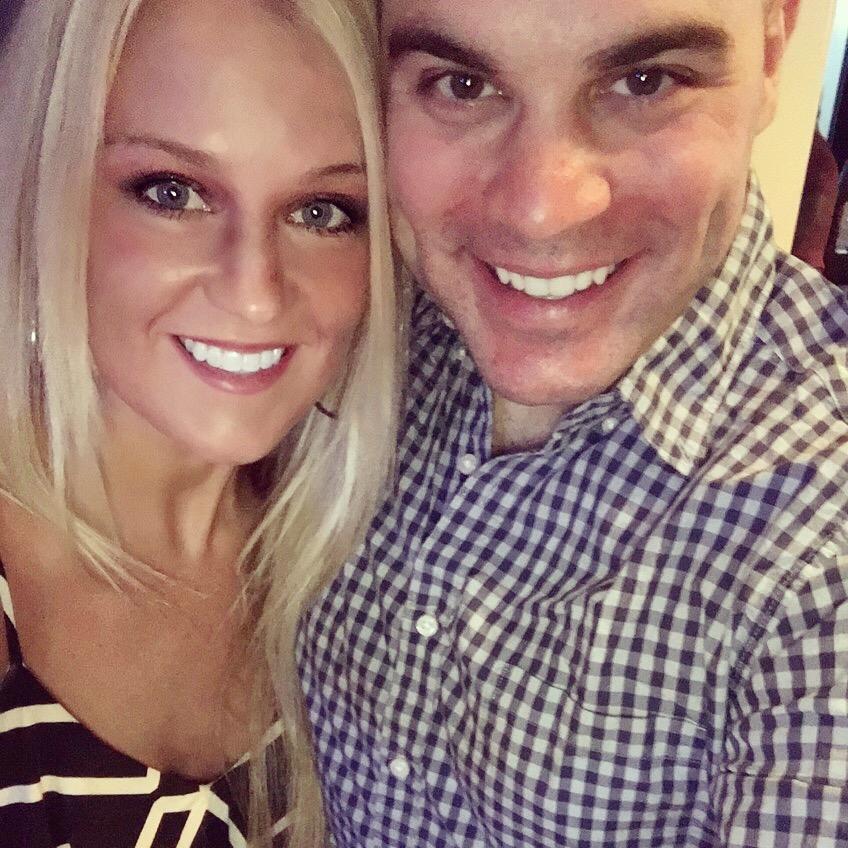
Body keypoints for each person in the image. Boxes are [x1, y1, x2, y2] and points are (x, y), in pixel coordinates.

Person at [300, 0, 848, 844]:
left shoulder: (822, 547)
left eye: (646, 81)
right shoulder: (344, 321)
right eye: (461, 84)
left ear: (774, 48)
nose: (541, 210)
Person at [0, 0, 396, 845]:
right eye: (172, 193)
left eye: (321, 211)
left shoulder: (356, 577)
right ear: (45, 194)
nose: (255, 291)